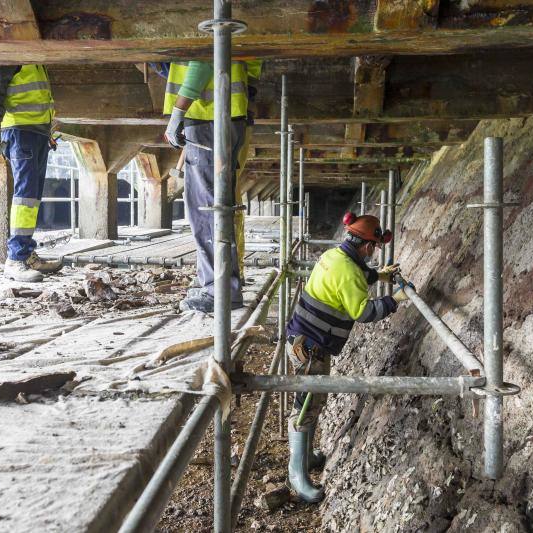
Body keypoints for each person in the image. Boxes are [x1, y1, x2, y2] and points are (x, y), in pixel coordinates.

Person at [284, 212, 409, 502]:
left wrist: (379, 275)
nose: (374, 252)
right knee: (304, 406)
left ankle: (306, 457)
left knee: (311, 402)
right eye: (374, 247)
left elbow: (356, 273)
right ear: (366, 246)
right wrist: (395, 300)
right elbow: (364, 312)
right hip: (310, 348)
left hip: (304, 340)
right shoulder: (349, 271)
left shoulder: (334, 256)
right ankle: (296, 474)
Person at [163, 59, 260, 312]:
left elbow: (204, 62)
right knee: (215, 208)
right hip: (225, 117)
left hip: (207, 117)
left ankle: (219, 291)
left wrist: (177, 114)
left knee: (206, 212)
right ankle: (218, 285)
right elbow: (252, 70)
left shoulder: (200, 27)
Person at [0, 64, 63, 282]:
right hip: (20, 130)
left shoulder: (37, 62)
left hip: (37, 132)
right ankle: (15, 259)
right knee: (25, 197)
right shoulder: (13, 56)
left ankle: (26, 254)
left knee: (32, 197)